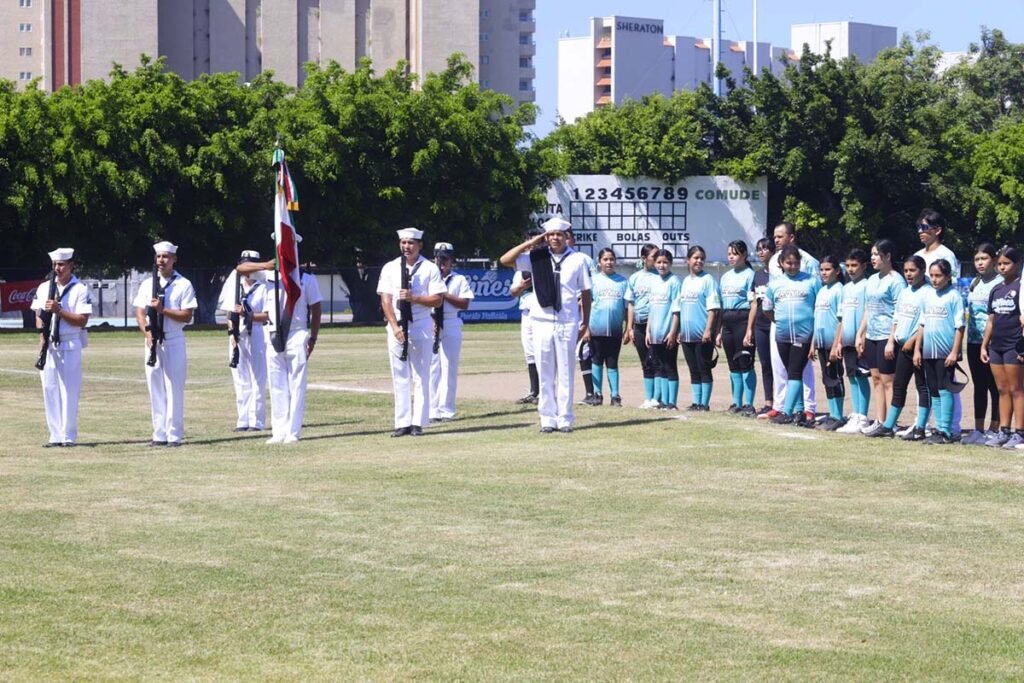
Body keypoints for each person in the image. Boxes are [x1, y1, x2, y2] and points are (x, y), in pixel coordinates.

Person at [500, 216, 592, 433]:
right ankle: (547, 418)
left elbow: (586, 293)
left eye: (559, 235)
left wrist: (585, 322)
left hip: (567, 321)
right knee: (545, 370)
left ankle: (565, 417)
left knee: (566, 371)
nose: (555, 239)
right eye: (550, 235)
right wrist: (532, 242)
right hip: (541, 319)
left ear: (566, 237)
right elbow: (505, 259)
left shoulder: (578, 259)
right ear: (546, 237)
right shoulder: (537, 256)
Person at [238, 243, 322, 444]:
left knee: (296, 384)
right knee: (276, 384)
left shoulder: (306, 279)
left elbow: (316, 309)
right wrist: (265, 265)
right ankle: (279, 430)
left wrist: (313, 338)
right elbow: (240, 269)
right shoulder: (268, 276)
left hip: (297, 331)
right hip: (274, 331)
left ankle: (293, 431)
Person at [378, 227, 445, 437]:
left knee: (421, 375)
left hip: (421, 324)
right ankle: (402, 421)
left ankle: (418, 421)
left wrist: (414, 298)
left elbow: (438, 299)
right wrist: (395, 327)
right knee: (399, 375)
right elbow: (385, 299)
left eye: (411, 243)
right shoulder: (390, 268)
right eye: (403, 243)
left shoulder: (429, 268)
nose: (406, 247)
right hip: (397, 324)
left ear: (419, 245)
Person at [133, 241, 198, 447]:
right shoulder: (147, 284)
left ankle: (174, 434)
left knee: (174, 388)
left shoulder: (183, 284)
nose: (161, 261)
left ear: (174, 259)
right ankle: (159, 434)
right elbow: (140, 312)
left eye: (166, 257)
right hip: (153, 340)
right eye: (159, 257)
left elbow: (187, 316)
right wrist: (147, 333)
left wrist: (163, 310)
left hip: (173, 338)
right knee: (155, 388)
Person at [864, 256, 930, 439]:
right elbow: (897, 318)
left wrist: (913, 341)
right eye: (906, 270)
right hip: (902, 346)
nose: (908, 274)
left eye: (913, 270)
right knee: (899, 385)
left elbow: (926, 322)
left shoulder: (928, 292)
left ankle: (921, 427)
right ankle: (888, 425)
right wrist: (892, 340)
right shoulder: (906, 292)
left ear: (922, 270)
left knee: (922, 386)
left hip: (918, 348)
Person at [32, 247, 92, 447]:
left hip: (70, 342)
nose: (57, 268)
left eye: (61, 264)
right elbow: (39, 314)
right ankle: (55, 435)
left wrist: (60, 310)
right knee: (49, 389)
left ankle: (68, 436)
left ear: (71, 265)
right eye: (55, 265)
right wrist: (42, 336)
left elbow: (82, 320)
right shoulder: (44, 288)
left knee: (69, 391)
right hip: (49, 344)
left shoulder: (79, 289)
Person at [767, 222, 819, 421]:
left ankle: (802, 409)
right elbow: (768, 308)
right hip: (782, 330)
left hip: (804, 331)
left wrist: (812, 331)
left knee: (798, 371)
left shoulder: (810, 270)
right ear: (781, 263)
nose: (793, 266)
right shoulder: (775, 271)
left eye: (780, 236)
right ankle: (796, 409)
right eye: (788, 263)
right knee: (789, 371)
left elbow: (817, 304)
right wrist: (779, 320)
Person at [855, 239, 905, 434]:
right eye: (872, 254)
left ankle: (890, 423)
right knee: (875, 378)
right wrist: (861, 334)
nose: (873, 258)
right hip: (872, 336)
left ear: (888, 256)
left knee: (888, 380)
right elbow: (868, 308)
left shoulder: (896, 281)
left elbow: (899, 312)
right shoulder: (872, 280)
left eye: (877, 254)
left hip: (887, 336)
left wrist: (892, 340)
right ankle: (880, 420)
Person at [913, 258, 965, 445]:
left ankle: (946, 431)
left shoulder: (954, 296)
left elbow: (960, 326)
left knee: (945, 389)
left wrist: (954, 352)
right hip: (928, 351)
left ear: (948, 276)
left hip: (945, 352)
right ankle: (938, 427)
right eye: (932, 275)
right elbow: (922, 324)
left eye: (939, 276)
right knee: (933, 389)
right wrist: (918, 349)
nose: (934, 279)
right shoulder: (928, 295)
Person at [217, 250, 269, 432]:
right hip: (238, 334)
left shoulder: (265, 287)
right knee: (240, 380)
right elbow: (229, 313)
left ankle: (257, 420)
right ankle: (243, 419)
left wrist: (248, 315)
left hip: (257, 333)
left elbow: (267, 316)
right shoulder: (235, 284)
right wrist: (232, 334)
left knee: (257, 378)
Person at [978, 246, 1024, 449]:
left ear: (1017, 264)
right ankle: (1003, 431)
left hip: (1014, 345)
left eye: (1007, 264)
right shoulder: (996, 290)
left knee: (1017, 389)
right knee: (1002, 389)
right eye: (999, 264)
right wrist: (984, 346)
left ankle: (1019, 432)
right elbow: (991, 321)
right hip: (996, 346)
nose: (1002, 267)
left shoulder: (1021, 288)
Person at [429, 242, 475, 422]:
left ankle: (446, 409)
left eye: (445, 259)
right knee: (432, 369)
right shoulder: (429, 277)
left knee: (449, 367)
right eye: (438, 259)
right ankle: (432, 409)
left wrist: (444, 293)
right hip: (431, 322)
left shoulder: (458, 279)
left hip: (450, 321)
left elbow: (464, 303)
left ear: (451, 260)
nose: (441, 264)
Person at [961, 243, 1001, 445]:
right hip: (974, 341)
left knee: (995, 387)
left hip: (994, 343)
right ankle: (978, 429)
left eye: (984, 259)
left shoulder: (1001, 282)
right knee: (979, 386)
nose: (980, 263)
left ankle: (995, 429)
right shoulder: (975, 282)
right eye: (977, 259)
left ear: (994, 260)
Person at [677, 245, 721, 411]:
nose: (699, 261)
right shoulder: (686, 281)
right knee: (693, 369)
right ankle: (696, 402)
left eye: (702, 258)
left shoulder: (708, 280)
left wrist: (709, 330)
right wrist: (680, 330)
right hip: (687, 334)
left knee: (704, 369)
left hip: (703, 334)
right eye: (695, 258)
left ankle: (704, 403)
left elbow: (713, 309)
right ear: (688, 260)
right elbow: (683, 308)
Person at [833, 249, 872, 433]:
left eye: (854, 265)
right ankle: (855, 414)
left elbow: (869, 312)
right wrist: (839, 341)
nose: (850, 269)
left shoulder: (867, 285)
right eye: (848, 265)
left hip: (860, 340)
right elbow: (841, 318)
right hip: (847, 340)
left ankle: (863, 416)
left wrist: (862, 336)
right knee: (852, 376)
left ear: (864, 266)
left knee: (861, 376)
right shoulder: (845, 288)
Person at [719, 240, 756, 415]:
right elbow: (720, 304)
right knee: (733, 364)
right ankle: (736, 402)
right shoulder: (725, 276)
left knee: (745, 362)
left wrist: (749, 329)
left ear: (744, 255)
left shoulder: (750, 275)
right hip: (727, 320)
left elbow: (754, 303)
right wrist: (719, 330)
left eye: (735, 254)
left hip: (742, 318)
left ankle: (749, 403)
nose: (731, 257)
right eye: (729, 254)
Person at [587, 248, 628, 406]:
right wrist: (585, 328)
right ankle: (597, 394)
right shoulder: (593, 281)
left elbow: (626, 308)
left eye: (611, 259)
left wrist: (627, 328)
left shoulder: (622, 282)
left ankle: (615, 395)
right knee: (596, 360)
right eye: (605, 259)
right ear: (599, 262)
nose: (609, 262)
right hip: (596, 328)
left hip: (615, 330)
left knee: (612, 362)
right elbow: (585, 305)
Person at [811, 255, 845, 430]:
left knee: (835, 378)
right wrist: (812, 344)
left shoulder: (839, 290)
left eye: (828, 269)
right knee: (826, 378)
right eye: (822, 270)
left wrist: (836, 344)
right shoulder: (822, 290)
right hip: (821, 342)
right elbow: (817, 319)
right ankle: (832, 414)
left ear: (837, 271)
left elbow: (841, 320)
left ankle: (838, 415)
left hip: (833, 343)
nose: (824, 273)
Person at [645, 249, 683, 410]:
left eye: (665, 262)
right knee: (658, 366)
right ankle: (661, 401)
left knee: (670, 366)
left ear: (671, 263)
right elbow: (652, 309)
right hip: (655, 332)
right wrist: (648, 330)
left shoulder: (674, 282)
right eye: (659, 262)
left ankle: (671, 402)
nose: (662, 265)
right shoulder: (653, 281)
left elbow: (676, 310)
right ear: (654, 263)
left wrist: (673, 332)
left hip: (668, 332)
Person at [624, 244, 660, 408]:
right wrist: (629, 327)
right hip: (638, 325)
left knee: (656, 360)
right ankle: (648, 397)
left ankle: (658, 398)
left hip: (655, 325)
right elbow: (631, 304)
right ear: (644, 258)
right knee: (645, 361)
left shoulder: (660, 277)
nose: (657, 259)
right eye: (654, 256)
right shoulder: (635, 278)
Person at [567, 229, 599, 404]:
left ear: (573, 240)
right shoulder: (553, 258)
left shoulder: (582, 259)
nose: (564, 240)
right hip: (564, 310)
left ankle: (591, 393)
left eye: (567, 237)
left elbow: (590, 286)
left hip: (581, 310)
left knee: (584, 352)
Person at [746, 238, 775, 417]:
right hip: (761, 325)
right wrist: (750, 329)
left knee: (779, 365)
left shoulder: (779, 273)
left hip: (776, 324)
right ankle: (768, 402)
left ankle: (783, 402)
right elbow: (754, 304)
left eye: (765, 249)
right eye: (759, 249)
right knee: (765, 364)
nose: (761, 252)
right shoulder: (757, 275)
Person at [915, 209, 961, 275]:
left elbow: (953, 280)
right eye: (918, 227)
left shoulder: (946, 255)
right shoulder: (917, 255)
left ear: (937, 230)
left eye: (924, 227)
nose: (919, 231)